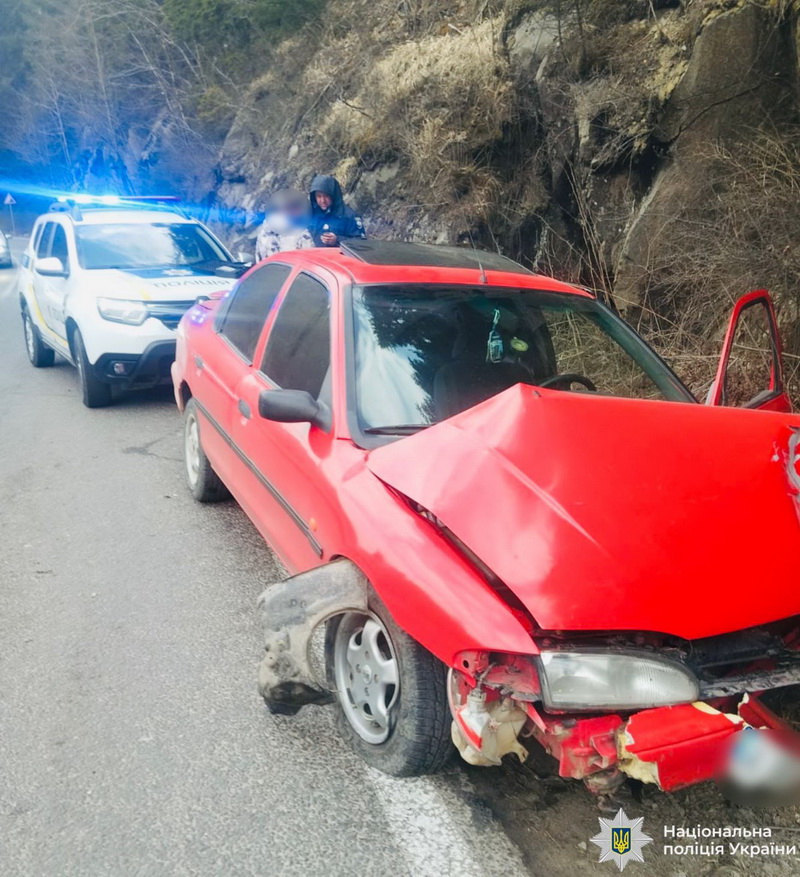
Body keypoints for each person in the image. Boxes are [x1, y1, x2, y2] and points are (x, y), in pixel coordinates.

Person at [255, 189, 315, 261]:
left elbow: (310, 258)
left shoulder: (302, 232)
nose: (296, 212)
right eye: (291, 208)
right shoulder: (266, 233)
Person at [308, 174, 366, 247]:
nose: (323, 200)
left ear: (333, 195)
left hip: (339, 257)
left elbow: (362, 243)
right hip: (315, 256)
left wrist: (338, 240)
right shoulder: (310, 213)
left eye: (326, 196)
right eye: (319, 196)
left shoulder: (349, 216)